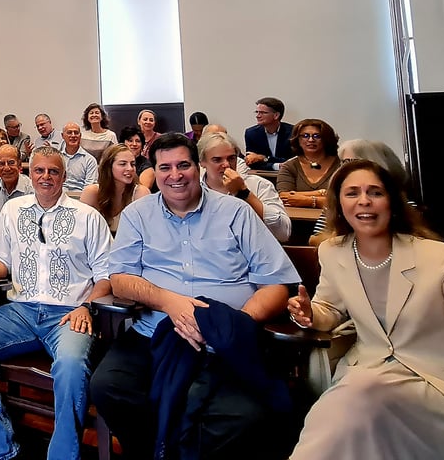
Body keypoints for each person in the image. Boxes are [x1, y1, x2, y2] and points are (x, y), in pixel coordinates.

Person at [288, 160, 444, 459]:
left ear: (393, 202)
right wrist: (309, 314)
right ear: (339, 203)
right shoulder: (333, 251)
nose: (364, 201)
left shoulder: (437, 255)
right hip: (367, 373)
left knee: (349, 407)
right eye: (352, 193)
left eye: (375, 192)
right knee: (340, 413)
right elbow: (330, 308)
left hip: (438, 386)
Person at [89, 133, 300, 459]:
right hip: (154, 333)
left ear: (198, 166)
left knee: (243, 415)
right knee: (108, 387)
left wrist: (225, 324)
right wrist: (169, 302)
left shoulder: (236, 213)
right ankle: (154, 452)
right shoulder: (138, 215)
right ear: (154, 172)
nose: (175, 176)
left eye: (183, 165)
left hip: (224, 340)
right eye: (165, 168)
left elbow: (276, 283)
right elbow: (120, 279)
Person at [0, 145, 112, 460]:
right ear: (30, 172)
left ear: (64, 177)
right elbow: (0, 259)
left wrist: (87, 307)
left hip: (70, 314)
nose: (45, 177)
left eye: (53, 171)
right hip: (20, 310)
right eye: (39, 170)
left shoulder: (87, 217)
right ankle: (0, 447)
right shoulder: (14, 211)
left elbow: (107, 276)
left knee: (70, 366)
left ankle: (63, 455)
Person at [197, 132, 291, 242]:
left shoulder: (259, 185)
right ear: (202, 162)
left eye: (231, 158)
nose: (226, 164)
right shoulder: (193, 190)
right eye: (217, 160)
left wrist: (243, 193)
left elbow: (283, 233)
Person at [80, 143, 149, 234]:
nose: (130, 168)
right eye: (123, 164)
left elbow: (146, 233)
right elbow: (80, 230)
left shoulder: (141, 193)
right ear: (108, 166)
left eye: (132, 164)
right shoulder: (92, 192)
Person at [277, 119, 342, 209]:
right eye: (305, 136)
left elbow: (344, 199)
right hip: (297, 219)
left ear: (326, 139)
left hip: (332, 220)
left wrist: (308, 201)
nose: (311, 140)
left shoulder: (342, 165)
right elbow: (284, 197)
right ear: (297, 139)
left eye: (317, 136)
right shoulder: (289, 166)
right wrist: (322, 193)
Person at [0, 144, 33, 220]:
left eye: (11, 163)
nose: (6, 168)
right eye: (1, 164)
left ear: (19, 165)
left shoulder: (31, 189)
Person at [245, 97, 293, 170]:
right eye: (257, 112)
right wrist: (275, 166)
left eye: (263, 113)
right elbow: (252, 162)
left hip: (290, 174)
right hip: (263, 175)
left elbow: (295, 161)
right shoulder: (251, 133)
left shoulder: (293, 132)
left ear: (276, 115)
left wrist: (264, 158)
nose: (258, 116)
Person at [60, 122, 98, 192]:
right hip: (58, 198)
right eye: (69, 132)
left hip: (80, 198)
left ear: (80, 136)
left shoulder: (90, 160)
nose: (73, 135)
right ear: (62, 136)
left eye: (76, 133)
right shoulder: (57, 158)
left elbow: (89, 188)